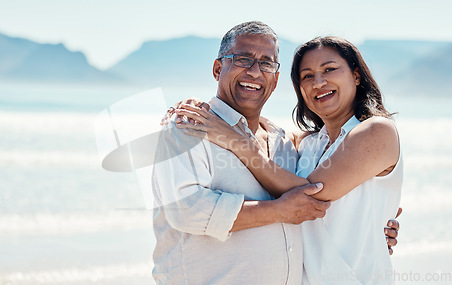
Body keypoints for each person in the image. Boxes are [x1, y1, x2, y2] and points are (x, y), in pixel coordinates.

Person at [153, 21, 399, 285]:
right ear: (217, 69)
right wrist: (278, 210)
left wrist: (376, 221)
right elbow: (186, 211)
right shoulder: (189, 127)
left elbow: (318, 190)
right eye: (243, 59)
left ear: (276, 79)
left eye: (267, 64)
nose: (255, 72)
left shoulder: (284, 142)